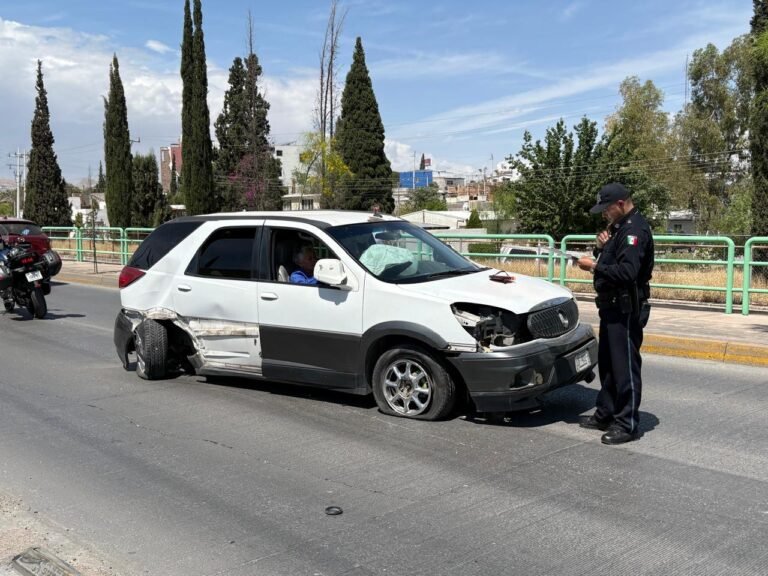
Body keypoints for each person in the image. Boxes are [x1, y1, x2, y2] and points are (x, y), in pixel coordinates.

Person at [576, 182, 654, 445]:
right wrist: (601, 248)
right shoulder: (619, 228)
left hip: (626, 308)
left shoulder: (634, 230)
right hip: (611, 306)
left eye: (606, 209)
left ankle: (626, 423)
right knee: (608, 364)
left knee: (625, 367)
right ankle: (606, 412)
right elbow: (613, 260)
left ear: (620, 204)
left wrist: (593, 266)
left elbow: (628, 272)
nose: (604, 214)